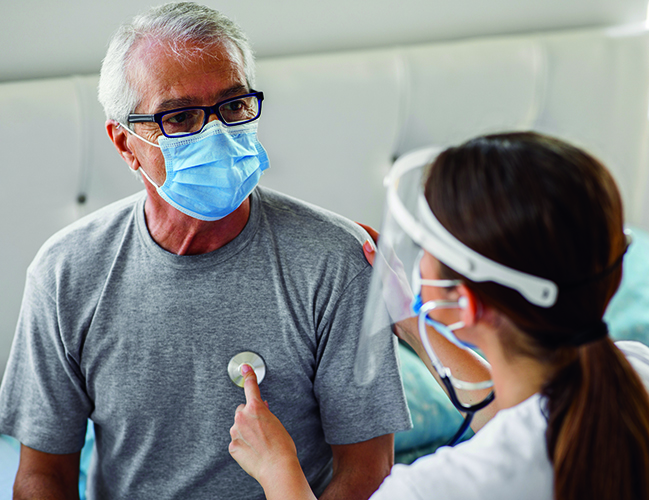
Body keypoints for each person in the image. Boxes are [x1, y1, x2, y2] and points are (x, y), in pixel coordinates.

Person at [0, 3, 410, 499]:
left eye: (234, 106)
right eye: (182, 116)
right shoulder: (66, 272)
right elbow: (43, 474)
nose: (215, 133)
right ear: (126, 145)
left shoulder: (337, 261)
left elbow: (368, 471)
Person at [228, 132, 649, 500]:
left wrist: (279, 469)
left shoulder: (439, 486)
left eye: (429, 246)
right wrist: (412, 320)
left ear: (467, 306)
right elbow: (520, 416)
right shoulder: (641, 376)